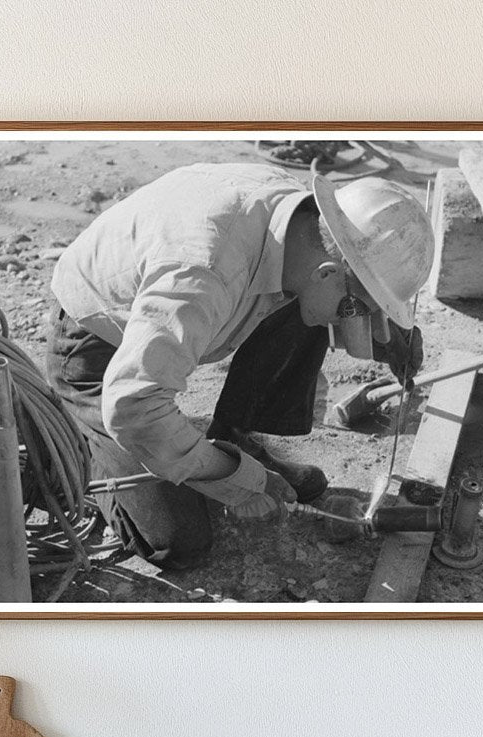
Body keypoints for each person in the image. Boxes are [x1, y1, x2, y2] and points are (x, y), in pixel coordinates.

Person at [47, 161, 435, 569]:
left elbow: (334, 282)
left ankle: (233, 436)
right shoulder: (204, 274)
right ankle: (75, 444)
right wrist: (238, 480)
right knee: (179, 542)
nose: (353, 322)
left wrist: (385, 328)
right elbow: (134, 407)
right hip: (95, 349)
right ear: (327, 272)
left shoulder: (303, 226)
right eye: (356, 311)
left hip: (168, 314)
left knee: (308, 306)